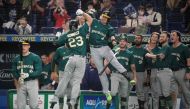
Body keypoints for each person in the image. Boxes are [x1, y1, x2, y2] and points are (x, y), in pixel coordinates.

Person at [76, 9, 129, 104]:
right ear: (101, 16)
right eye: (103, 16)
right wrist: (82, 12)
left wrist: (114, 43)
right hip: (94, 49)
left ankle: (125, 73)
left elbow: (112, 37)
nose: (104, 18)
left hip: (104, 47)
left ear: (108, 19)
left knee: (113, 60)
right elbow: (88, 17)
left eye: (106, 18)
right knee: (101, 71)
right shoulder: (95, 21)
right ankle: (106, 92)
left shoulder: (109, 27)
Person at [50, 10, 92, 108]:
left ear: (70, 27)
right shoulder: (81, 30)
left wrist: (57, 37)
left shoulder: (67, 34)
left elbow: (55, 43)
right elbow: (90, 19)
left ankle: (55, 98)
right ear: (77, 25)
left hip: (71, 59)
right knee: (76, 82)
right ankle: (72, 102)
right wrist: (83, 13)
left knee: (64, 79)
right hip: (81, 59)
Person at [107, 35, 137, 109]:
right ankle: (107, 104)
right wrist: (106, 68)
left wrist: (135, 77)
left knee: (124, 95)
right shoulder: (114, 51)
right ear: (118, 42)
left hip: (125, 76)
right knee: (113, 93)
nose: (122, 42)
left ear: (126, 43)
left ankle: (123, 107)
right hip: (115, 74)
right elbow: (106, 60)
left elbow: (133, 67)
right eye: (120, 41)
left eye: (123, 41)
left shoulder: (130, 53)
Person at [146, 31, 174, 109]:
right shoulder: (162, 47)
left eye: (163, 37)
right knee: (160, 94)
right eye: (160, 37)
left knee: (165, 93)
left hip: (165, 71)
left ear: (167, 38)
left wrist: (150, 55)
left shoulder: (167, 47)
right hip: (159, 71)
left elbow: (161, 56)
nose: (161, 38)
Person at [12, 40, 42, 109]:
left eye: (25, 45)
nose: (23, 47)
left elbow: (39, 71)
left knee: (33, 105)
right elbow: (14, 71)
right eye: (22, 45)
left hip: (32, 82)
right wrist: (18, 77)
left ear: (29, 46)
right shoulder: (16, 59)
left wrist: (28, 75)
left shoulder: (35, 57)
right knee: (20, 106)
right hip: (21, 83)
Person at [170, 30, 190, 109]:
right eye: (171, 35)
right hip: (172, 72)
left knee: (186, 92)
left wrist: (188, 72)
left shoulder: (184, 47)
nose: (172, 36)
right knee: (172, 92)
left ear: (178, 37)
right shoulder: (170, 47)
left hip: (182, 71)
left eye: (174, 35)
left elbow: (188, 60)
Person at [128, 34, 148, 109]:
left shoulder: (145, 50)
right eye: (136, 38)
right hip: (130, 73)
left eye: (138, 38)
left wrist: (146, 75)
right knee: (126, 91)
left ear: (141, 40)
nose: (137, 39)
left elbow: (147, 65)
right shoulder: (130, 49)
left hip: (140, 73)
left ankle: (141, 107)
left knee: (140, 92)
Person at [50, 44, 72, 109]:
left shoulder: (74, 48)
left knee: (70, 90)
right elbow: (54, 61)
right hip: (62, 71)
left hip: (72, 72)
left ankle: (70, 106)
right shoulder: (60, 49)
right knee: (61, 89)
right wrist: (53, 72)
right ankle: (60, 107)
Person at [144, 32, 160, 109]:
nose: (154, 38)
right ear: (150, 37)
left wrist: (149, 52)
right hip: (144, 72)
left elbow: (157, 59)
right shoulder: (144, 47)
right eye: (152, 36)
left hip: (154, 71)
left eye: (156, 37)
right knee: (145, 92)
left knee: (155, 93)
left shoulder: (159, 49)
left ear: (157, 39)